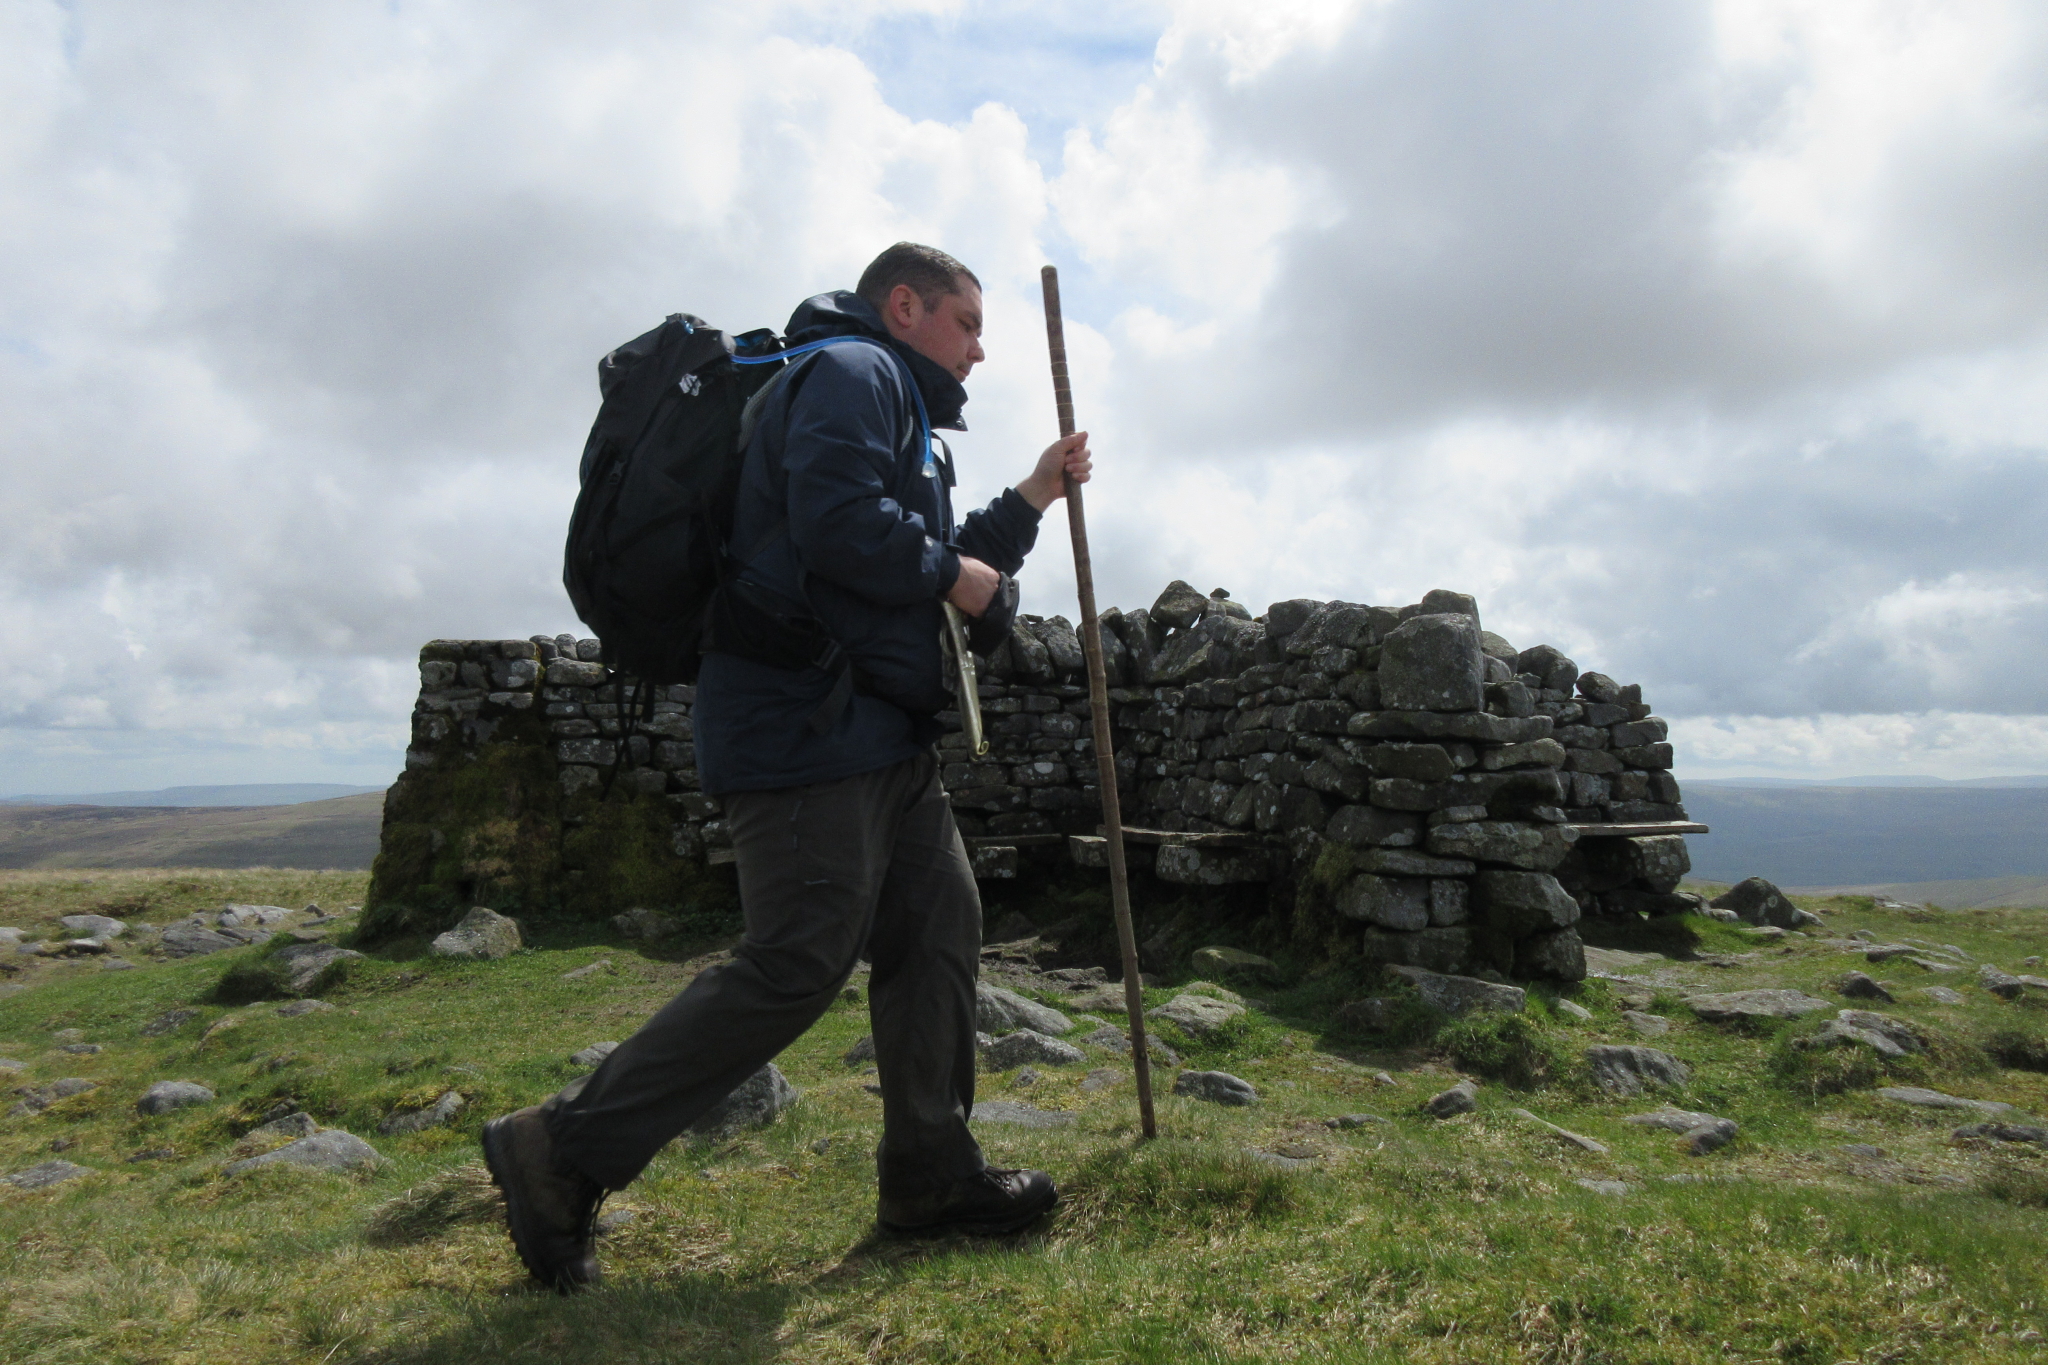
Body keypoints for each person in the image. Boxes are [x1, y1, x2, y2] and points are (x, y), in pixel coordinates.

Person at [483, 242, 1093, 1291]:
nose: (980, 351)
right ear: (903, 307)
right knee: (796, 960)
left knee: (936, 927)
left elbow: (917, 552)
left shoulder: (888, 398)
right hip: (806, 727)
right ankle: (559, 1150)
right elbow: (841, 526)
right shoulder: (854, 373)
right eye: (967, 324)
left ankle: (930, 1177)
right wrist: (959, 575)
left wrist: (1032, 496)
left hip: (881, 738)